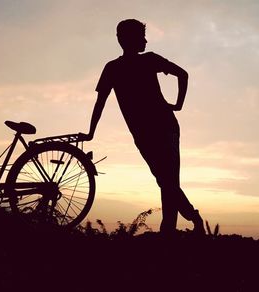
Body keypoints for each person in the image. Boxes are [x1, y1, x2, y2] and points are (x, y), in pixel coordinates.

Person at [81, 19, 204, 235]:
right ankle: (193, 217)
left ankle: (169, 230)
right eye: (141, 36)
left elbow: (183, 75)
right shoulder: (114, 68)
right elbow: (100, 103)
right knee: (165, 180)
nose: (145, 40)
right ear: (126, 39)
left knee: (168, 180)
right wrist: (91, 131)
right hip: (142, 133)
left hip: (165, 127)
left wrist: (178, 105)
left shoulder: (146, 61)